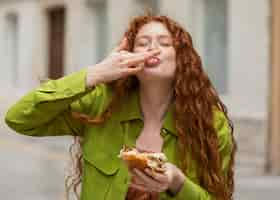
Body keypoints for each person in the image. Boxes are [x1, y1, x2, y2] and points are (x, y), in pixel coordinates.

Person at [5, 14, 236, 200]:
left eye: (165, 43)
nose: (152, 48)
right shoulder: (100, 105)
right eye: (142, 43)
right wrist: (94, 74)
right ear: (127, 57)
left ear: (183, 59)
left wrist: (178, 183)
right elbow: (19, 118)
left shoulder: (210, 123)